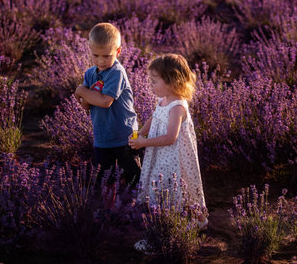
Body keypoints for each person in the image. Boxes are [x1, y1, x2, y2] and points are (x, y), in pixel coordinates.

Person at [128, 54, 208, 236]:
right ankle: (170, 222)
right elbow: (154, 117)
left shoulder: (178, 106)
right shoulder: (162, 101)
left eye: (154, 81)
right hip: (161, 155)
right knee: (164, 187)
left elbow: (171, 137)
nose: (150, 85)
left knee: (183, 188)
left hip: (176, 158)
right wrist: (141, 132)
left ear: (172, 81)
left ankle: (199, 220)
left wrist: (143, 143)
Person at [74, 22, 140, 207]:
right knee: (106, 175)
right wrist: (85, 95)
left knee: (133, 173)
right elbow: (86, 105)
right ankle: (110, 209)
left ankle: (136, 207)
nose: (101, 61)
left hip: (126, 134)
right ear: (89, 50)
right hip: (103, 135)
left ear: (118, 51)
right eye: (96, 55)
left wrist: (81, 90)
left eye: (107, 56)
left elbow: (104, 101)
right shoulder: (90, 73)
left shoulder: (116, 72)